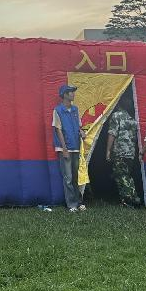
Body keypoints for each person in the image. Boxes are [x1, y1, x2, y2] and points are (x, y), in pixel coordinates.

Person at [51, 84, 86, 212]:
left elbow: (79, 126)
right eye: (71, 92)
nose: (73, 94)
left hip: (76, 147)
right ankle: (71, 204)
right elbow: (58, 130)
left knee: (76, 177)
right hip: (65, 148)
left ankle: (79, 202)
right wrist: (64, 149)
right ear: (65, 95)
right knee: (68, 178)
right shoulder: (58, 110)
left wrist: (81, 132)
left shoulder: (75, 109)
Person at [106, 101, 141, 207]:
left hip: (119, 151)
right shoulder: (132, 118)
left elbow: (112, 133)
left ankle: (129, 200)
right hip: (130, 152)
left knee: (121, 176)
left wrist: (108, 150)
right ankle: (132, 198)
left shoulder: (116, 116)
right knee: (127, 175)